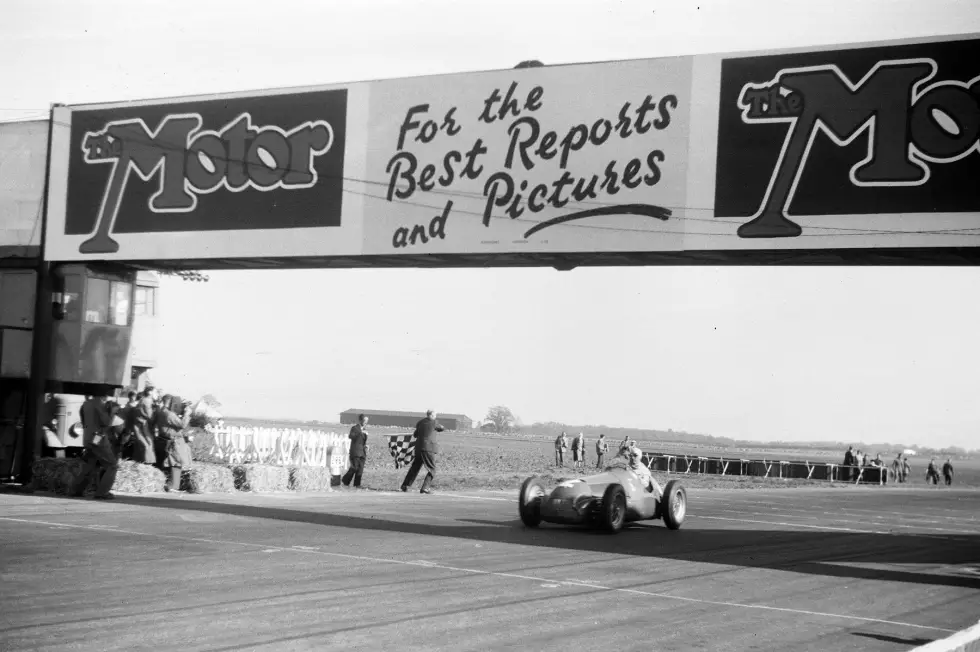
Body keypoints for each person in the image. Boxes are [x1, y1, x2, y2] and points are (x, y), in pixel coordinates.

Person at [72, 394, 118, 500]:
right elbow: (106, 422)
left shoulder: (86, 404)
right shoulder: (100, 404)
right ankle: (102, 492)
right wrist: (112, 412)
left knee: (90, 465)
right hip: (98, 438)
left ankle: (76, 490)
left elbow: (83, 421)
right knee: (112, 465)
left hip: (87, 437)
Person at [154, 394, 193, 492]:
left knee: (173, 462)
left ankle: (173, 484)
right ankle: (174, 486)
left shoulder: (161, 411)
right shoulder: (169, 414)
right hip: (174, 440)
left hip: (166, 438)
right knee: (176, 462)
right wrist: (187, 414)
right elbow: (182, 424)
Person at [401, 410, 445, 494]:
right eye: (435, 415)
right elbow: (441, 428)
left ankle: (405, 485)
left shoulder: (420, 423)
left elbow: (415, 434)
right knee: (432, 469)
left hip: (418, 447)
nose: (436, 416)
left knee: (415, 467)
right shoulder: (434, 422)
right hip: (428, 448)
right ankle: (425, 488)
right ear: (431, 415)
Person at [132, 387, 157, 465]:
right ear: (150, 392)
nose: (157, 394)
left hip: (141, 427)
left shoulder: (143, 400)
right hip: (144, 429)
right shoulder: (147, 401)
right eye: (155, 392)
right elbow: (150, 417)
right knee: (148, 448)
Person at [342, 414, 369, 488]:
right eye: (364, 421)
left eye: (367, 421)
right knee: (354, 468)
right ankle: (345, 481)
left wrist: (366, 446)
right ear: (360, 420)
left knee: (360, 469)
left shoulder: (365, 429)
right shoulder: (355, 428)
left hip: (362, 452)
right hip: (355, 451)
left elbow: (362, 441)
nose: (366, 422)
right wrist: (360, 433)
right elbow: (351, 436)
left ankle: (357, 484)